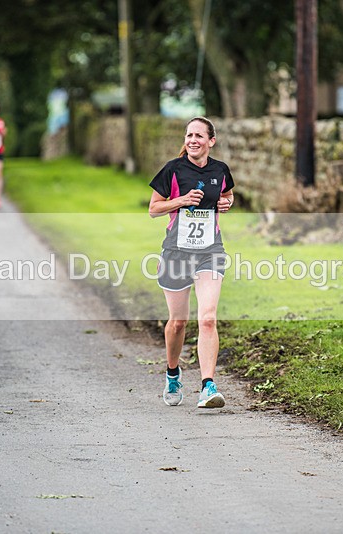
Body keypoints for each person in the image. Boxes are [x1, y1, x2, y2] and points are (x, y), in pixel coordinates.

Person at [148, 116, 235, 408]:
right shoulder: (173, 170)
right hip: (176, 252)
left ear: (211, 141)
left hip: (210, 251)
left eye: (199, 135)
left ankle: (208, 386)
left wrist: (226, 202)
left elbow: (227, 194)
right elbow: (154, 209)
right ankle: (173, 374)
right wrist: (181, 200)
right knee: (178, 322)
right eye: (189, 135)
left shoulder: (220, 170)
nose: (192, 140)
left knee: (208, 317)